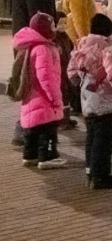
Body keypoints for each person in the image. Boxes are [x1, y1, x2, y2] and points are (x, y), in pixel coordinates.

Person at [68, 14, 112, 189]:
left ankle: (90, 169)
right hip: (104, 99)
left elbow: (71, 71)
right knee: (104, 137)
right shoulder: (107, 50)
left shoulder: (82, 46)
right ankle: (101, 175)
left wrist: (80, 83)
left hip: (87, 96)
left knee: (91, 135)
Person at [9, 0, 60, 146]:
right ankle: (28, 131)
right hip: (34, 41)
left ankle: (29, 131)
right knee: (36, 84)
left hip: (25, 39)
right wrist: (50, 32)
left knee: (31, 84)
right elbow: (39, 15)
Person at [13, 13, 65, 169]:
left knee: (32, 130)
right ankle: (47, 157)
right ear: (45, 29)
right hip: (44, 99)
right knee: (47, 130)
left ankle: (30, 156)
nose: (55, 29)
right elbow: (46, 78)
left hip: (31, 97)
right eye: (52, 26)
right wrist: (55, 98)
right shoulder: (43, 48)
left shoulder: (32, 46)